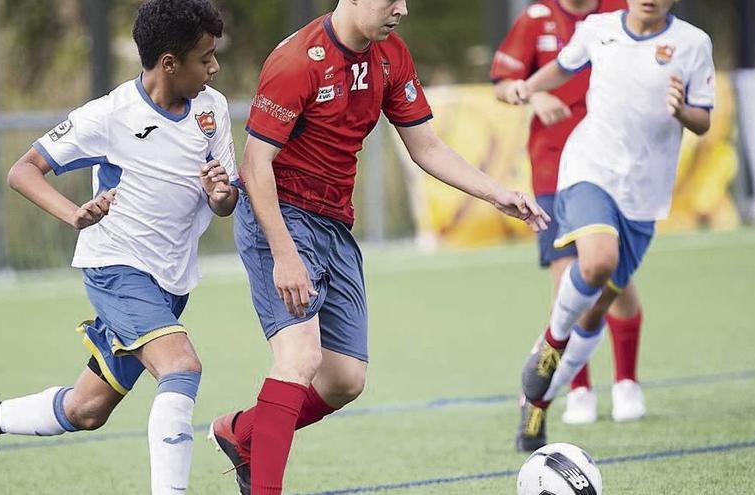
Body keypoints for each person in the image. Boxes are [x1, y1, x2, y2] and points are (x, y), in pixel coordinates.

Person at [207, 1, 549, 494]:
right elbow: (255, 166)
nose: (403, 9)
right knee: (299, 360)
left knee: (344, 380)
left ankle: (242, 435)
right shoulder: (297, 60)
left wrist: (496, 193)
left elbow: (426, 146)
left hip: (334, 224)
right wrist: (284, 255)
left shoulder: (391, 55)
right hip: (279, 216)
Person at [0, 1, 237, 492]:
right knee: (181, 365)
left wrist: (221, 192)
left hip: (170, 280)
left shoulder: (213, 109)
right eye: (205, 57)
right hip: (116, 269)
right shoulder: (110, 114)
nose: (214, 67)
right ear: (169, 62)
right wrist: (73, 215)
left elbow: (226, 200)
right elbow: (23, 170)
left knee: (87, 410)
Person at [501, 0, 713, 451]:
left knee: (598, 307)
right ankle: (552, 345)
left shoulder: (694, 44)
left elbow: (703, 118)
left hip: (644, 193)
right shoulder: (598, 28)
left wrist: (681, 111)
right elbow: (560, 67)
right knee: (596, 262)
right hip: (588, 168)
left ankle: (538, 406)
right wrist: (528, 89)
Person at [492, 0, 647, 431]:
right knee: (568, 276)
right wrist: (533, 93)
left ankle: (627, 382)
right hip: (554, 164)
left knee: (614, 273)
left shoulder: (623, 11)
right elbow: (503, 84)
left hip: (613, 164)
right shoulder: (535, 18)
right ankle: (578, 388)